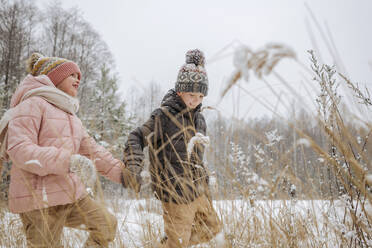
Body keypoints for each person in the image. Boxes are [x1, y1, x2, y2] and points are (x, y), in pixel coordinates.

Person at [3, 53, 126, 248]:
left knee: (106, 224)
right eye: (72, 75)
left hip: (70, 195)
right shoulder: (32, 104)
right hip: (38, 200)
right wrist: (68, 161)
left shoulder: (70, 114)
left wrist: (124, 174)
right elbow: (20, 149)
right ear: (54, 77)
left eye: (79, 76)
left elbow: (91, 150)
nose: (78, 79)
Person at [122, 49, 224, 247]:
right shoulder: (164, 116)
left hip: (197, 190)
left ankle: (168, 243)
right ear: (179, 91)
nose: (196, 100)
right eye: (191, 94)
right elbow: (136, 137)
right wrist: (133, 167)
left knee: (212, 228)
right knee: (178, 241)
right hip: (174, 191)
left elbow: (196, 158)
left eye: (201, 96)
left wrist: (205, 183)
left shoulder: (200, 119)